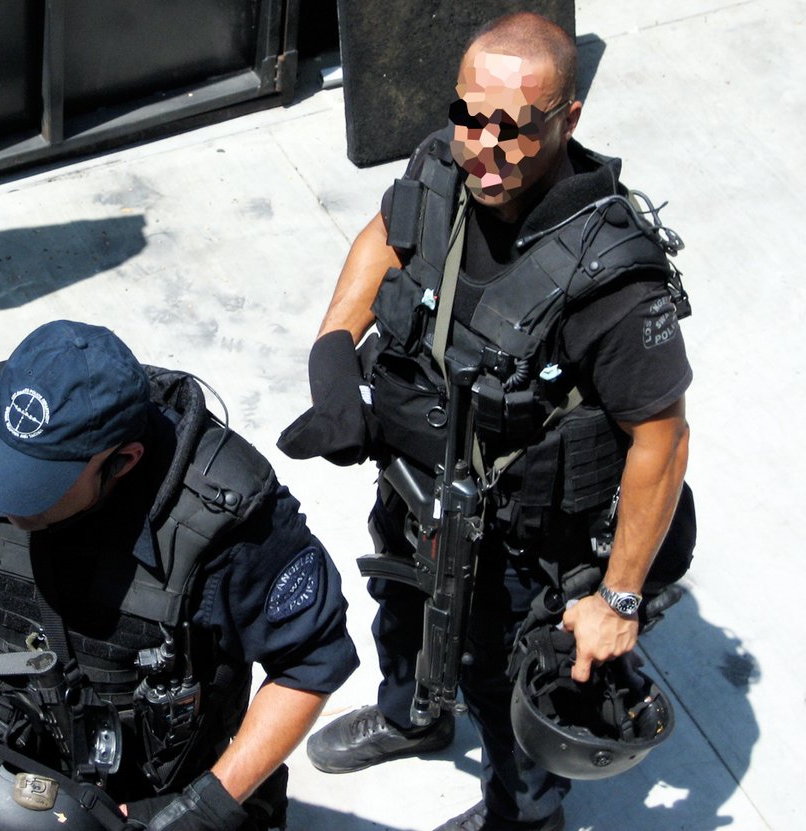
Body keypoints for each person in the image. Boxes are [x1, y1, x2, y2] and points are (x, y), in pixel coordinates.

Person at [278, 12, 693, 831]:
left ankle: (523, 816)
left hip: (518, 539)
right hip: (415, 484)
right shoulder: (447, 162)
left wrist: (618, 599)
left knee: (506, 683)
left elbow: (663, 438)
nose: (484, 147)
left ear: (568, 118)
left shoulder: (612, 278)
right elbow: (387, 236)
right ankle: (412, 713)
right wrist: (333, 352)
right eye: (469, 115)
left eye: (513, 127)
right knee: (401, 605)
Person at [0, 319, 359, 831]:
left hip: (145, 803)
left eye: (33, 487)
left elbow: (310, 662)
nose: (2, 501)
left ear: (123, 461)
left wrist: (204, 810)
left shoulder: (227, 521)